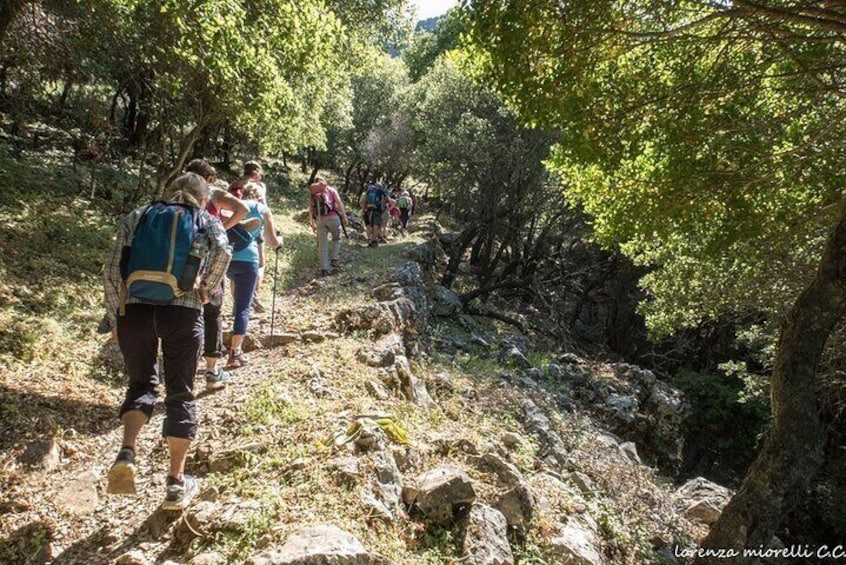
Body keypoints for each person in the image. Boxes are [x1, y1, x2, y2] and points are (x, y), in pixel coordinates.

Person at [103, 172, 231, 510]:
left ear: (168, 190)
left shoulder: (140, 215)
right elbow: (223, 252)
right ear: (204, 197)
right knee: (180, 391)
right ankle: (175, 484)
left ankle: (127, 451)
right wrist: (206, 287)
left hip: (134, 310)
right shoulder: (204, 220)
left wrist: (115, 313)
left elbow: (113, 269)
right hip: (183, 311)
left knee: (141, 384)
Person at [184, 158, 252, 391]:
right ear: (209, 179)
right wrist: (222, 227)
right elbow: (242, 209)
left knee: (182, 311)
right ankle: (212, 371)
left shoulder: (177, 192)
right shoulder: (213, 193)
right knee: (212, 312)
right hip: (209, 258)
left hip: (181, 260)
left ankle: (183, 367)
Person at [226, 180, 282, 368]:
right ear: (259, 195)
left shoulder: (233, 205)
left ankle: (213, 347)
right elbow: (271, 240)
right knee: (243, 306)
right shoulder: (262, 209)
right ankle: (235, 352)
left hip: (226, 258)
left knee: (232, 299)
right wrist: (279, 242)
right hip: (248, 260)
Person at [308, 177, 349, 277]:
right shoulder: (331, 190)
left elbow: (311, 209)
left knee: (322, 245)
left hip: (320, 220)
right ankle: (334, 259)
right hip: (333, 218)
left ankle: (324, 269)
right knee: (336, 238)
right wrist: (344, 216)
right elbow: (339, 203)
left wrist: (312, 223)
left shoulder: (314, 192)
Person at [243, 161, 269, 313]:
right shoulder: (259, 187)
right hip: (256, 229)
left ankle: (237, 303)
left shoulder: (234, 185)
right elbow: (265, 208)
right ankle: (254, 295)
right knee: (260, 263)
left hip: (236, 230)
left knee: (237, 267)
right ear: (255, 173)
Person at [359, 183, 388, 247]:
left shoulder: (367, 192)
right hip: (377, 210)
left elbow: (362, 202)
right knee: (376, 225)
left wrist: (363, 210)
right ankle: (374, 240)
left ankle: (369, 239)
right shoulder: (381, 192)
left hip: (367, 210)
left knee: (368, 226)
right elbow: (386, 201)